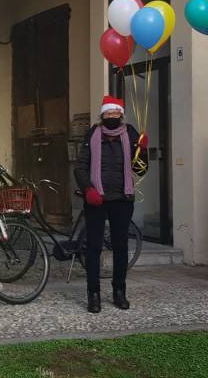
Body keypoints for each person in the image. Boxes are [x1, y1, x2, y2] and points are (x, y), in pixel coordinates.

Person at [73, 96, 148, 313]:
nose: (113, 117)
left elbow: (140, 169)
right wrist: (88, 189)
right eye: (109, 114)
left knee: (121, 247)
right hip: (97, 198)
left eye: (116, 114)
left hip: (122, 199)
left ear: (121, 115)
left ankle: (119, 291)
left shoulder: (130, 133)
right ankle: (93, 294)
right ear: (102, 115)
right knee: (94, 247)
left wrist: (143, 150)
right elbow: (80, 166)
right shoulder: (93, 134)